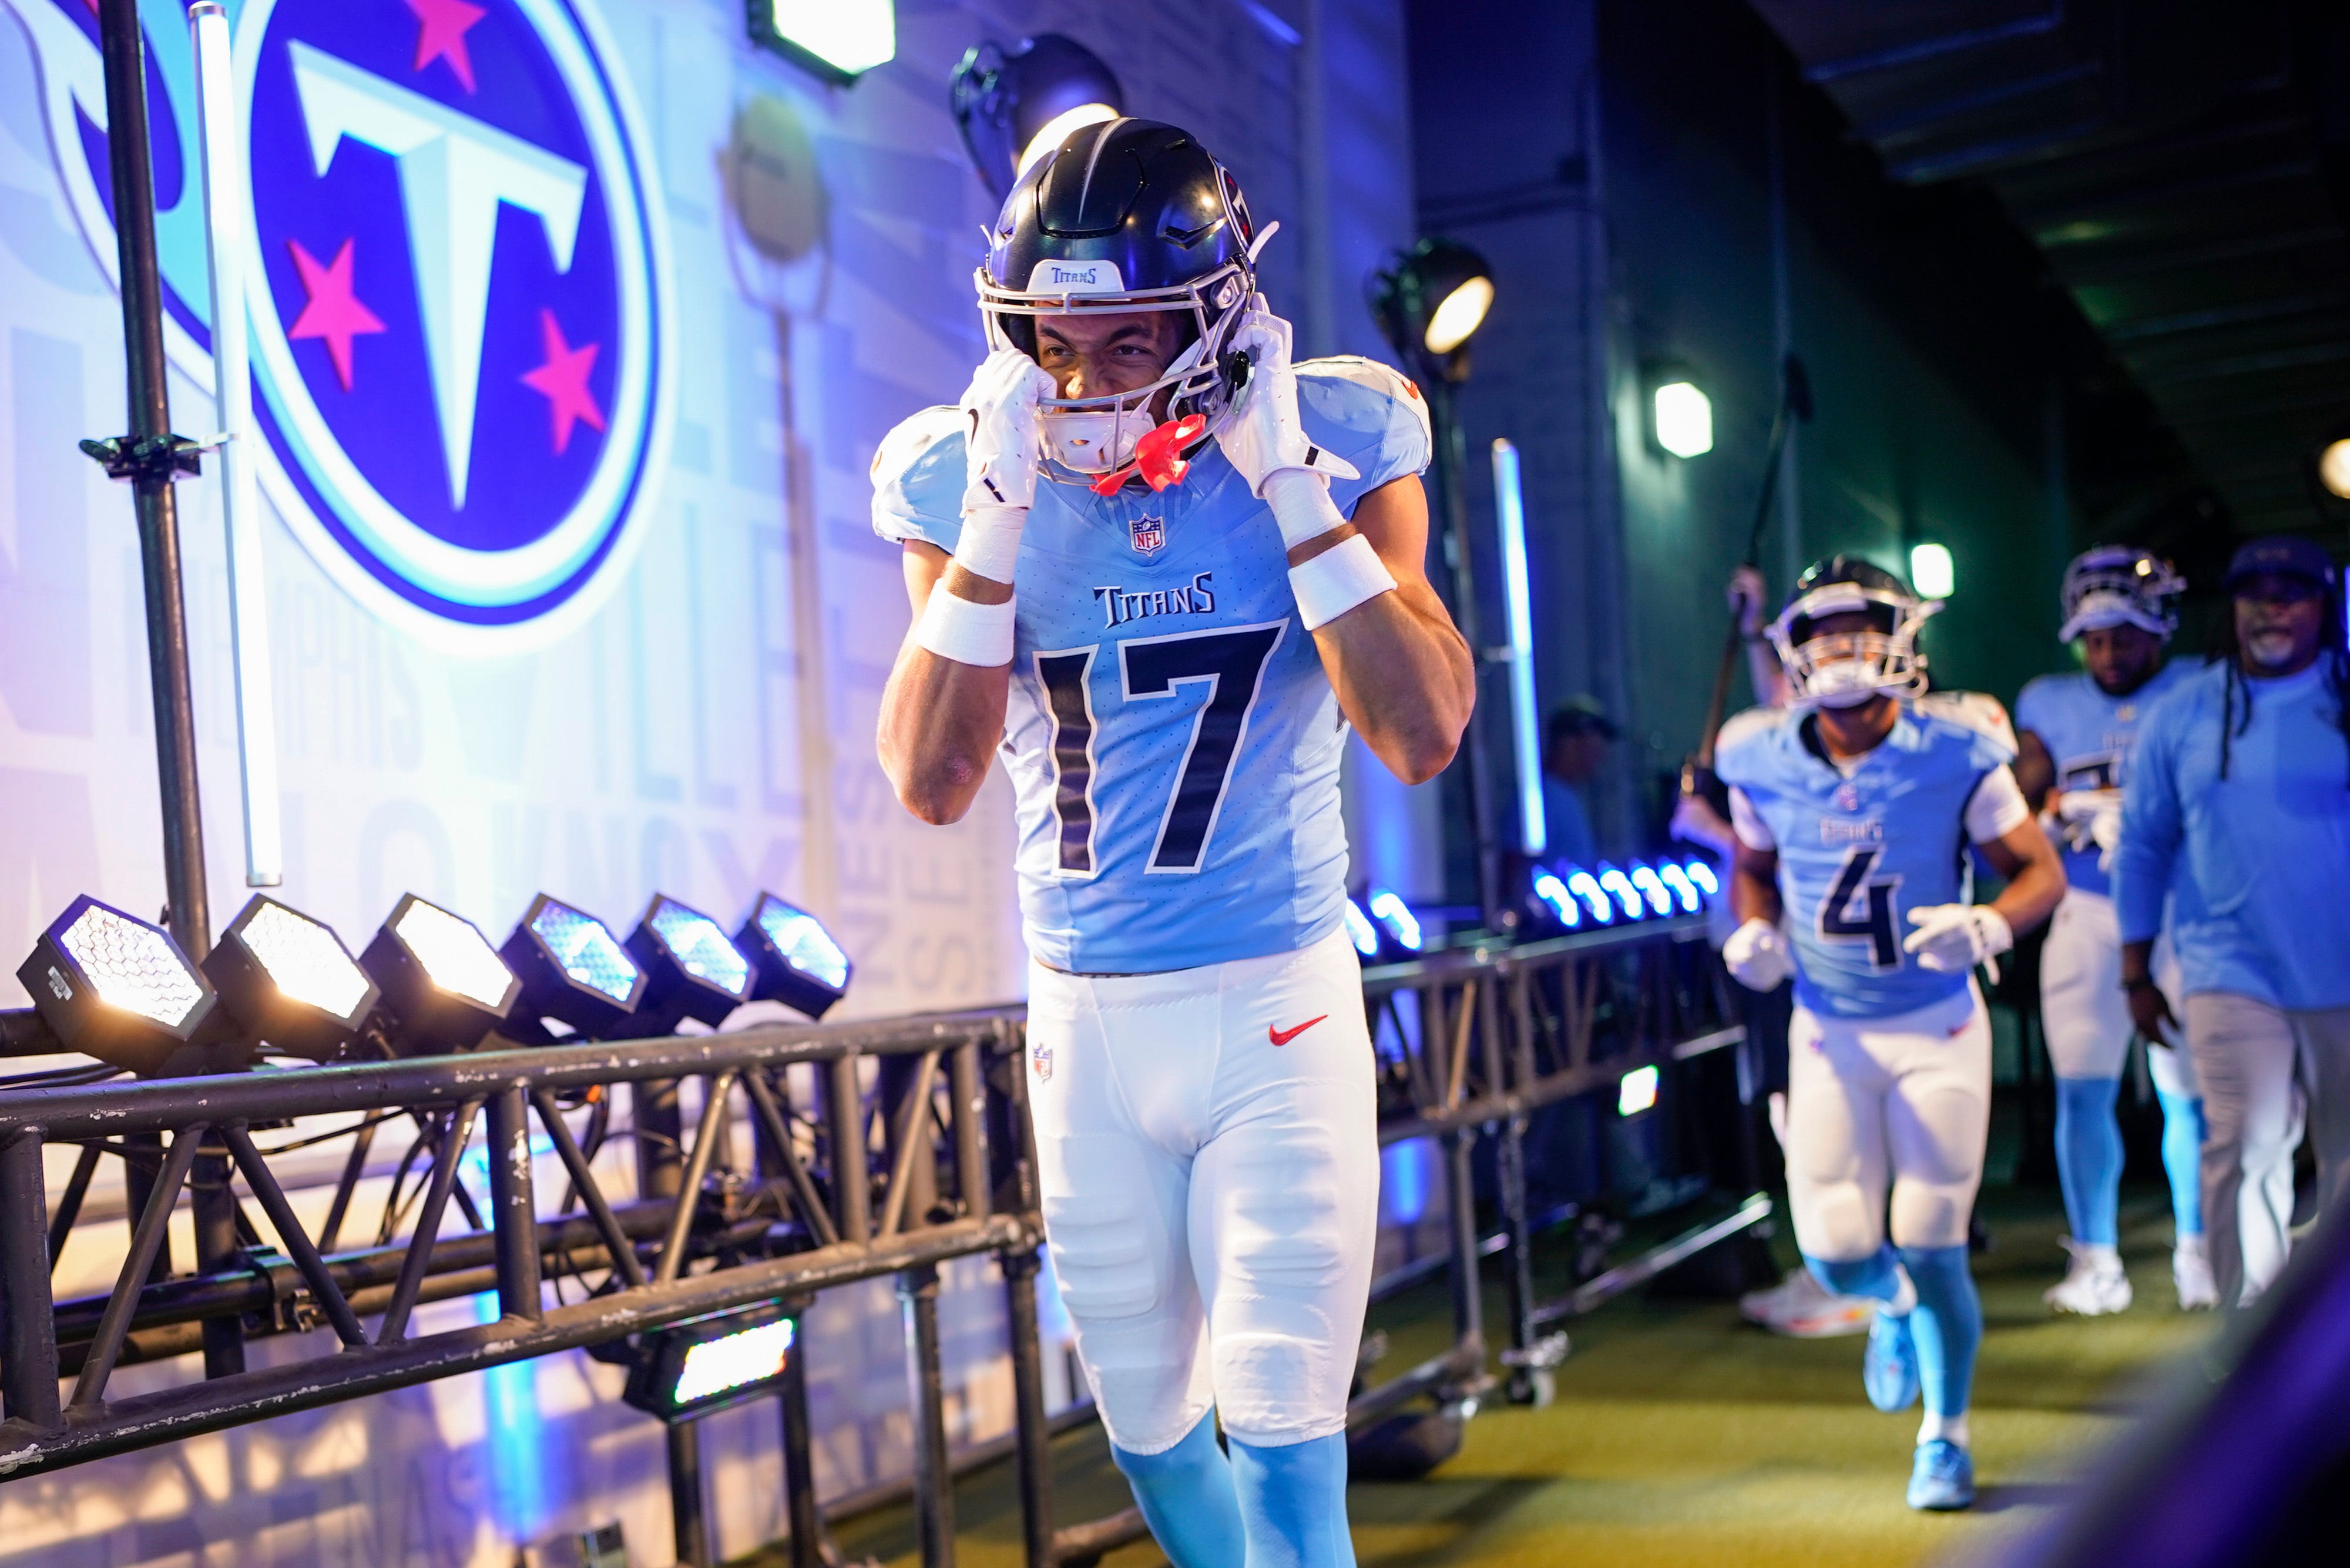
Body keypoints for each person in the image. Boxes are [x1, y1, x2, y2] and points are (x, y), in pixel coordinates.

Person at [870, 119, 1474, 1568]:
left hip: (1274, 1000)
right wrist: (995, 524)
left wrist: (1293, 491)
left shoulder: (1338, 431)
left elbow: (1421, 730)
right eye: (1053, 343)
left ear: (1214, 318)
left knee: (1282, 1440)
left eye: (1126, 339)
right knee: (1149, 1436)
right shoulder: (957, 472)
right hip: (1084, 1020)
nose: (1082, 382)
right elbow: (931, 779)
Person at [1716, 556, 2066, 1511]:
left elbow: (2038, 871)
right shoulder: (1760, 752)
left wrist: (1990, 924)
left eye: (1860, 625)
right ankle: (1893, 1304)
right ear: (1793, 646)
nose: (1841, 646)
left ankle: (1945, 1435)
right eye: (1822, 630)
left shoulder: (1956, 743)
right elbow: (1751, 864)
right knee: (1834, 1250)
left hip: (1937, 1024)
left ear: (1903, 634)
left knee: (1930, 1235)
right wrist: (1752, 925)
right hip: (1829, 1029)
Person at [2114, 534, 2350, 1314]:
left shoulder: (2345, 695)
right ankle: (2240, 1334)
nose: (2270, 607)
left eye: (2291, 592)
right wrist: (2134, 971)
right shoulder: (2184, 712)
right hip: (2229, 966)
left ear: (2324, 606)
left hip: (2344, 970)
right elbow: (2143, 844)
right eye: (2254, 592)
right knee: (2244, 1144)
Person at [1676, 568, 1874, 1339]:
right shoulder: (1775, 741)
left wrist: (1713, 831)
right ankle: (1833, 1266)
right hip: (1763, 958)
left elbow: (1781, 852)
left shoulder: (1818, 760)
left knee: (1813, 1123)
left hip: (1799, 960)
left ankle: (1846, 1273)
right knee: (1795, 1120)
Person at [2013, 547, 2213, 1314]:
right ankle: (2096, 1259)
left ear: (2158, 628)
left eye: (2123, 635)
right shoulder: (2047, 702)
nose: (2107, 652)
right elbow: (2015, 804)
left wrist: (2148, 815)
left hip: (2180, 912)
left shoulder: (2199, 687)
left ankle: (2200, 1248)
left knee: (2188, 1092)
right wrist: (2048, 816)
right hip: (2088, 911)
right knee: (2082, 1086)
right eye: (2094, 638)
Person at [1542, 696, 1617, 869]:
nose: (1602, 754)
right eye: (1595, 743)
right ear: (1568, 741)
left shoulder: (1566, 797)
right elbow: (1515, 871)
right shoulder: (1541, 800)